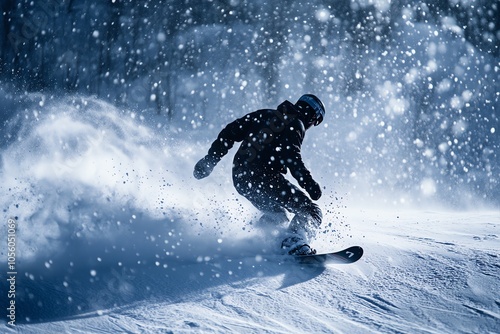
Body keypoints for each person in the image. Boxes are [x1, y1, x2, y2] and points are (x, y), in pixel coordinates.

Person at [193, 94, 325, 255]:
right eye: (316, 121)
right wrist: (309, 184)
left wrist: (210, 160)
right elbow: (292, 157)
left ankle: (262, 242)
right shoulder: (296, 124)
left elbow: (230, 132)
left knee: (277, 216)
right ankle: (294, 243)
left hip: (241, 178)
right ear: (312, 116)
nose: (312, 125)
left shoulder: (265, 114)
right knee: (310, 211)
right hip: (264, 177)